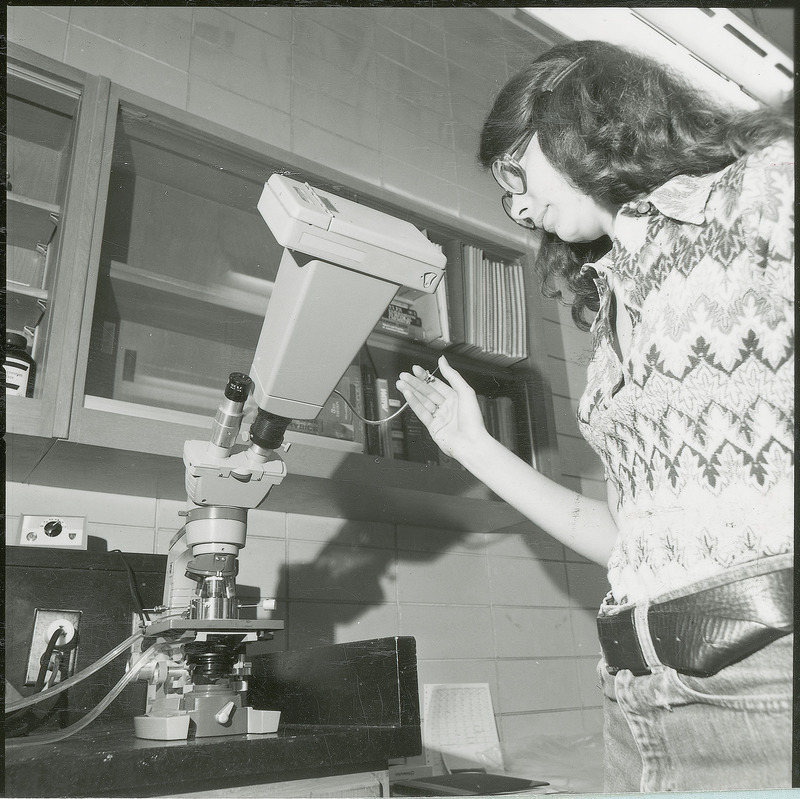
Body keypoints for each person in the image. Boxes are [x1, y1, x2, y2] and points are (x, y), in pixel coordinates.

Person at [396, 40, 793, 793]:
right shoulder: (609, 321)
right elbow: (621, 538)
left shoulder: (756, 192)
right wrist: (473, 447)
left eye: (515, 172)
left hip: (764, 690)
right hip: (634, 703)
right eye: (503, 196)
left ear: (576, 112)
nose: (515, 206)